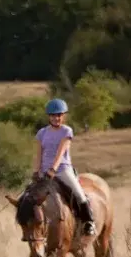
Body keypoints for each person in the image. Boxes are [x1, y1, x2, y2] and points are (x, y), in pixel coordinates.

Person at [33, 98, 96, 236]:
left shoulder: (66, 131)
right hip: (45, 172)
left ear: (63, 116)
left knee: (79, 194)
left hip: (62, 170)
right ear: (49, 116)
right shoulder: (42, 133)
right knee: (29, 196)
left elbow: (61, 152)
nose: (56, 118)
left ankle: (89, 222)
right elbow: (39, 154)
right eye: (53, 115)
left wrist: (53, 169)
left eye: (59, 115)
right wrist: (36, 171)